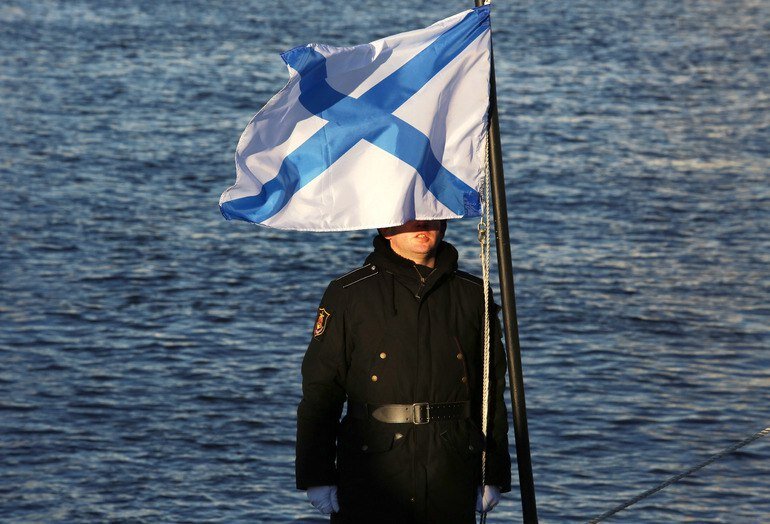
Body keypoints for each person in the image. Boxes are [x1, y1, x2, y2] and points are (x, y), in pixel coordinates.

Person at [296, 219, 511, 523]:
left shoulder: (473, 294)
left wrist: (493, 472)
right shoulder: (349, 293)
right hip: (372, 468)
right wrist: (316, 474)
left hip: (450, 468)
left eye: (431, 214)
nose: (422, 224)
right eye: (409, 216)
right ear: (386, 227)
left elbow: (491, 390)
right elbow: (321, 390)